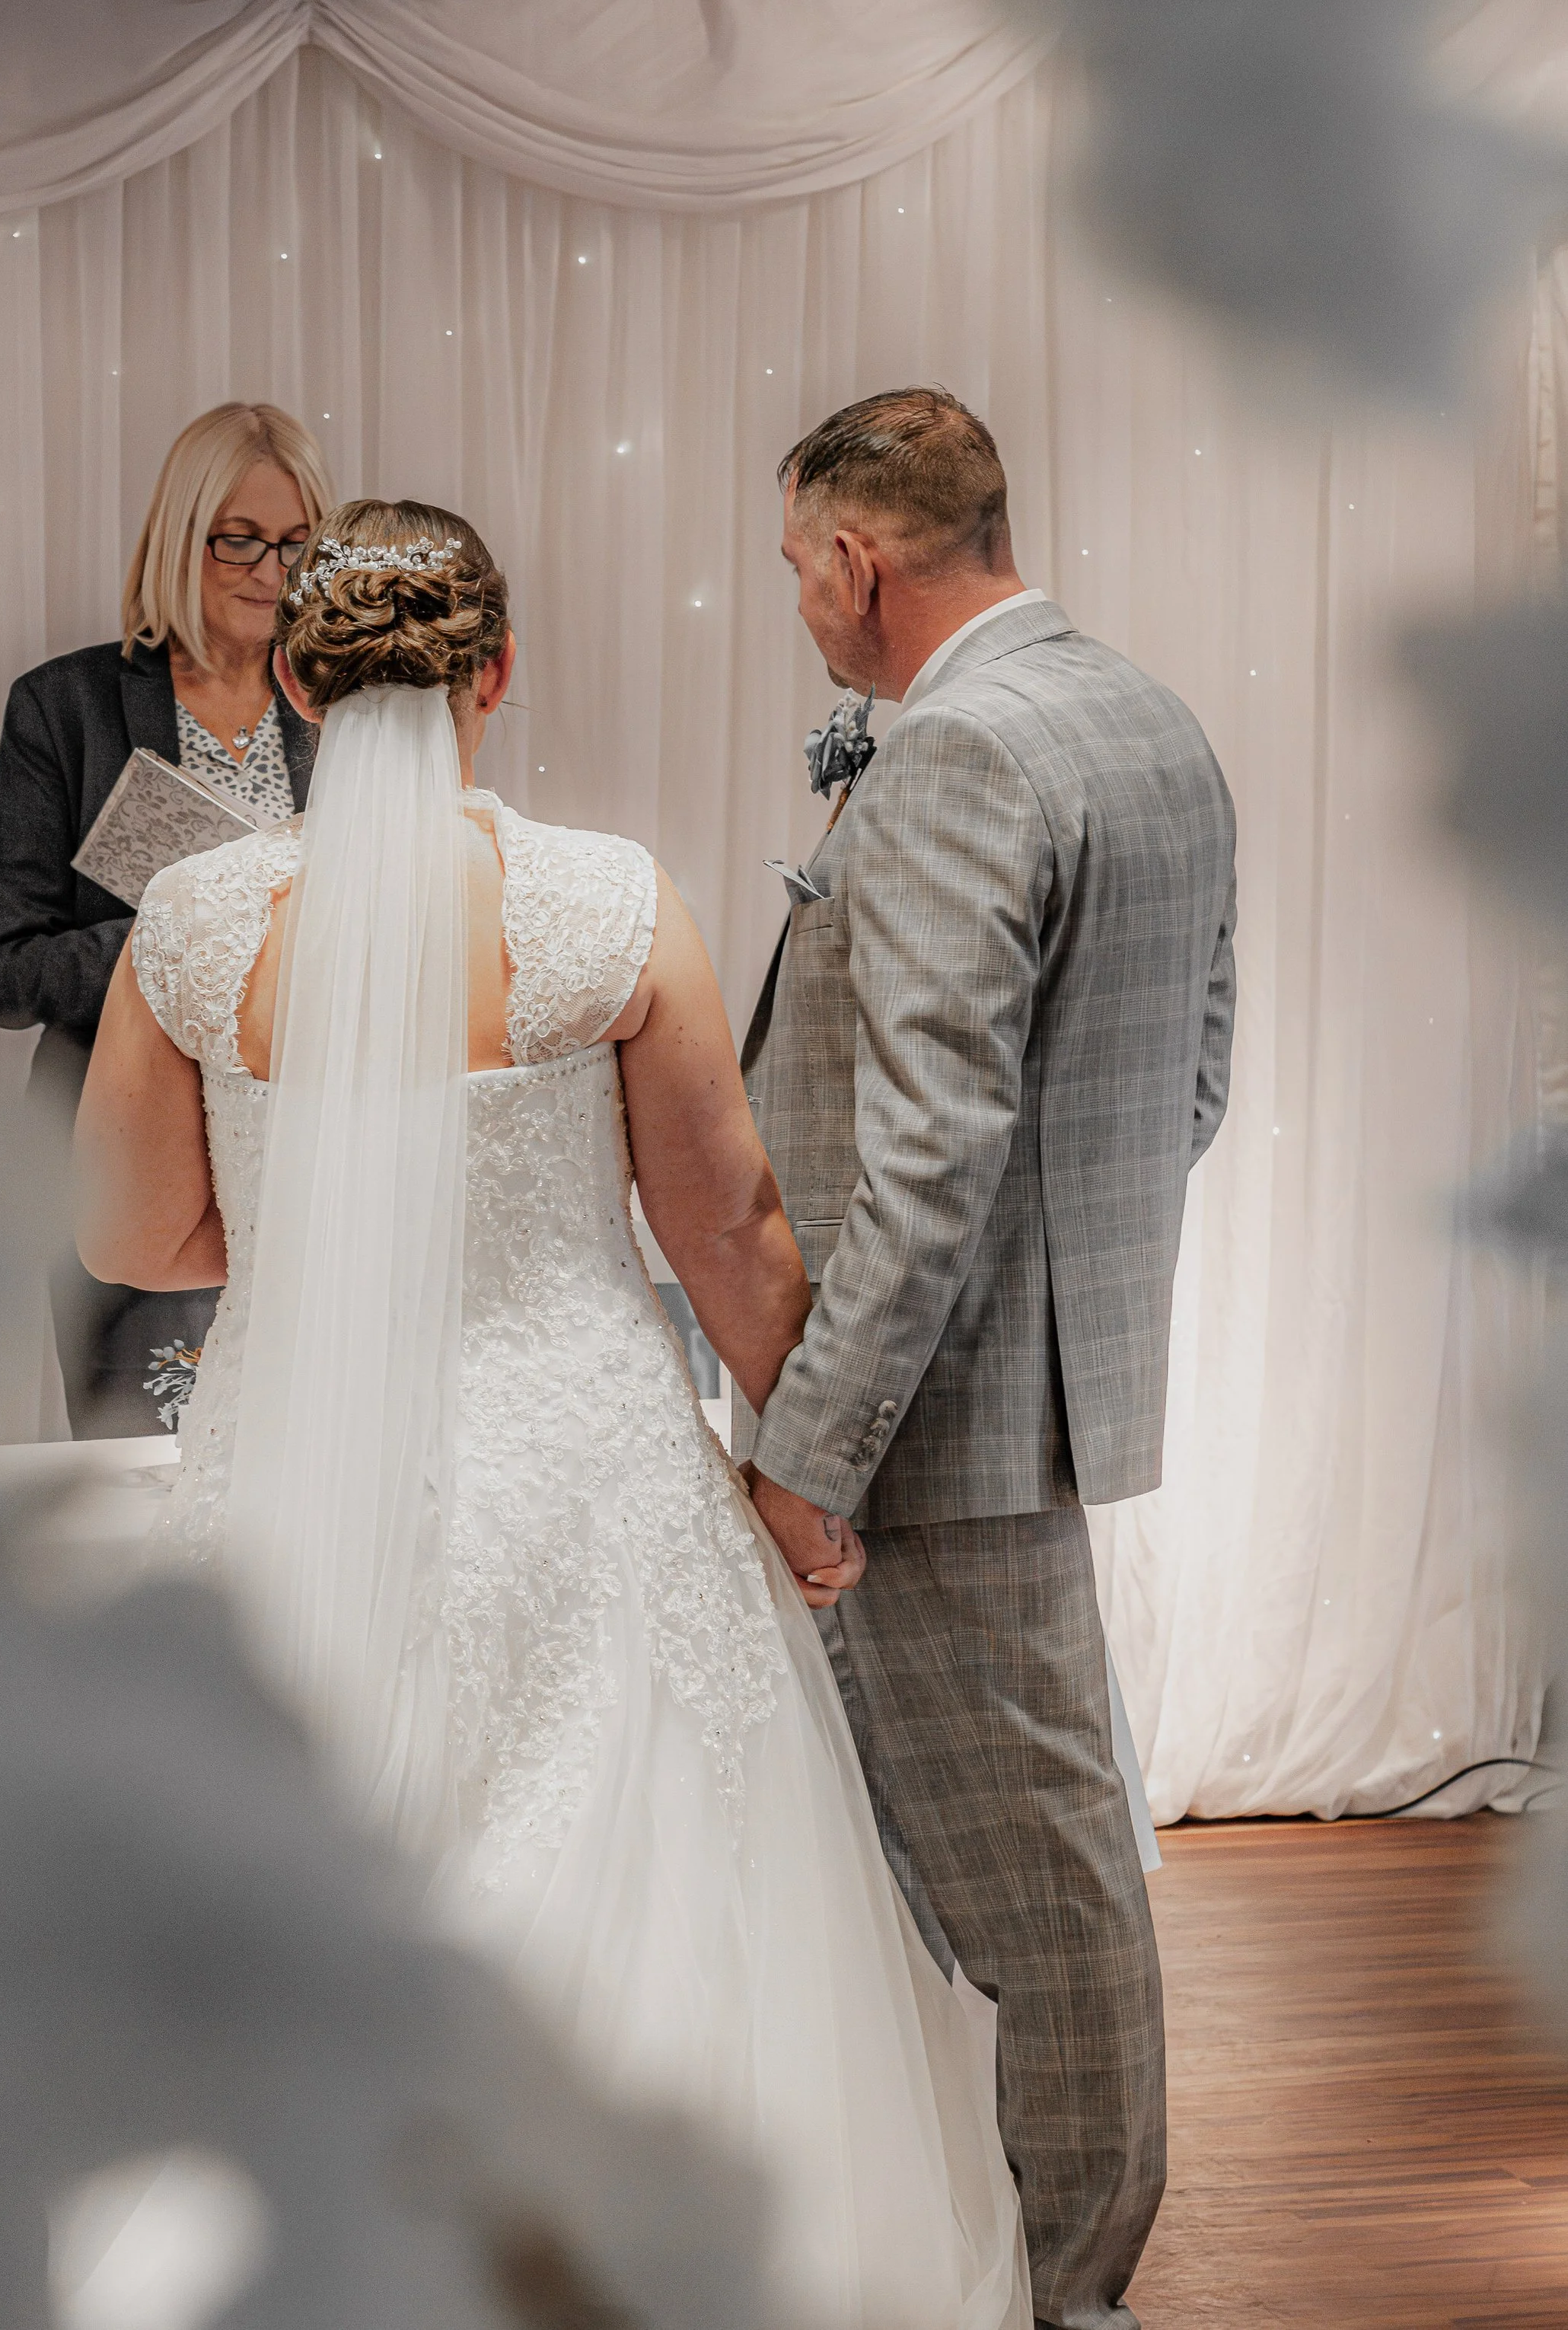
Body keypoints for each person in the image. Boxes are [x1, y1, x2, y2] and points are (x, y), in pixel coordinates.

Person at [73, 499, 1031, 2329]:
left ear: (290, 675)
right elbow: (730, 1226)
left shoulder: (192, 919)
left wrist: (288, 1238)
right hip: (582, 1478)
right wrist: (813, 1470)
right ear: (494, 674)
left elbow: (127, 1226)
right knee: (607, 1884)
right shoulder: (602, 897)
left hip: (283, 1477)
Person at [738, 387, 1237, 2330]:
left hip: (929, 1406)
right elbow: (1191, 1073)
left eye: (793, 563)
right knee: (1040, 1844)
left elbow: (923, 1149)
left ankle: (1065, 2289)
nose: (795, 598)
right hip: (1028, 1368)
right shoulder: (1145, 714)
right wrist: (1066, 1304)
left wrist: (813, 1442)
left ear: (859, 557)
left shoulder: (954, 752)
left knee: (1035, 1883)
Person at [0, 402, 332, 1436]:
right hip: (126, 1160)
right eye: (241, 541)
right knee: (145, 1483)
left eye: (299, 545)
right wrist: (184, 928)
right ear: (181, 537)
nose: (272, 571)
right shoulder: (66, 707)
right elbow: (5, 973)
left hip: (310, 1158)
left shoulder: (350, 710)